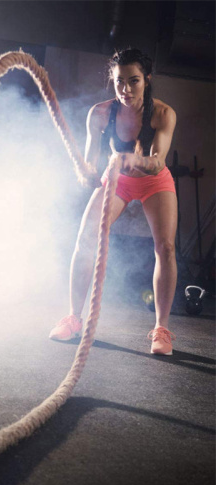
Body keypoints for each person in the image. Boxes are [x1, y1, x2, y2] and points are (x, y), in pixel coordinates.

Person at [49, 47, 178, 355]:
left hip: (153, 181)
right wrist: (88, 175)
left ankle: (161, 329)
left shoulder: (162, 114)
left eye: (134, 81)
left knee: (166, 247)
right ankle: (73, 318)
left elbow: (158, 162)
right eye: (120, 81)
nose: (126, 89)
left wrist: (134, 161)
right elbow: (91, 164)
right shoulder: (100, 113)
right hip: (115, 179)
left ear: (147, 80)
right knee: (85, 240)